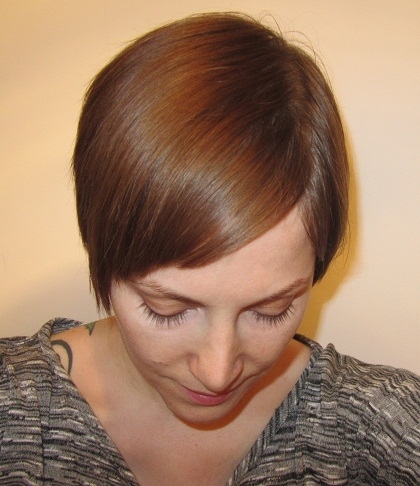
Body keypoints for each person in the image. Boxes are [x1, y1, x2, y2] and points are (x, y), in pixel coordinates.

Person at [0, 12, 419, 486]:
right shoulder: (14, 412)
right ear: (102, 253)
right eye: (165, 310)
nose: (218, 373)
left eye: (272, 311)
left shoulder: (376, 427)